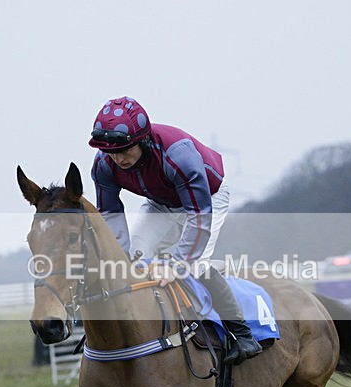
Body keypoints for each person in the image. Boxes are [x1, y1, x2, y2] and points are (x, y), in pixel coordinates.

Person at [88, 96, 262, 363]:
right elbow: (110, 215)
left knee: (196, 264)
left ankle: (242, 334)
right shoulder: (103, 164)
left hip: (207, 199)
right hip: (161, 202)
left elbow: (198, 217)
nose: (118, 159)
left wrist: (176, 263)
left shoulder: (177, 155)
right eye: (111, 152)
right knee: (133, 258)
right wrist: (120, 257)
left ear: (142, 141)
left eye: (124, 150)